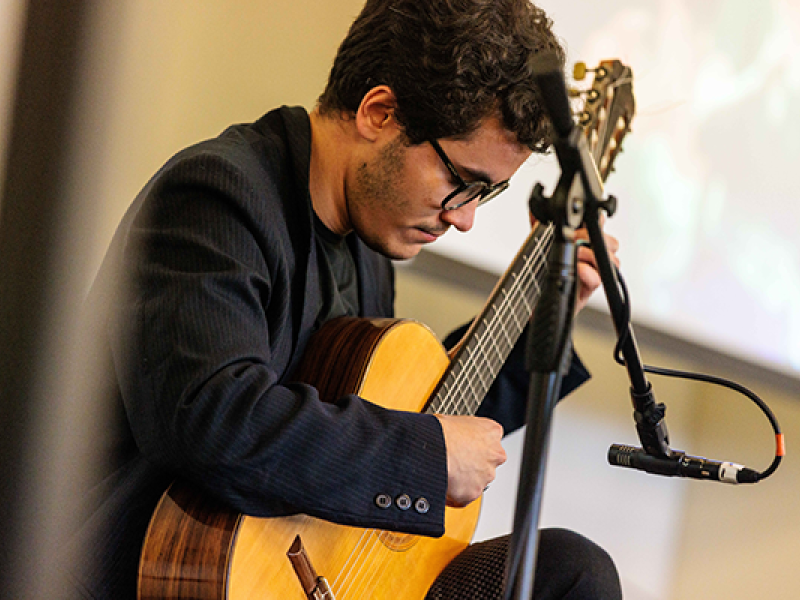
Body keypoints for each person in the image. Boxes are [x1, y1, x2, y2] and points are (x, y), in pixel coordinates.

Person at [66, 0, 623, 598]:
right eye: (461, 182)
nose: (463, 219)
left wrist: (534, 326)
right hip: (162, 575)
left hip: (307, 573)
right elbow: (213, 419)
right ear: (378, 113)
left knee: (570, 572)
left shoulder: (367, 246)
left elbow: (395, 414)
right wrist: (428, 458)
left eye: (486, 194)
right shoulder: (217, 195)